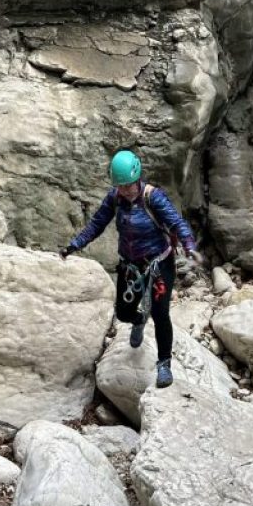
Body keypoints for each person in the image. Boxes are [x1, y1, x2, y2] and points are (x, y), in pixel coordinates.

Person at [59, 150, 202, 388]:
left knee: (160, 313)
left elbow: (176, 222)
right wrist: (74, 245)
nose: (124, 191)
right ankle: (139, 320)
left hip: (158, 265)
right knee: (124, 313)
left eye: (128, 186)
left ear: (137, 178)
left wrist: (189, 246)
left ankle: (164, 364)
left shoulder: (152, 197)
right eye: (120, 186)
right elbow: (97, 224)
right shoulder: (114, 198)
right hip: (130, 265)